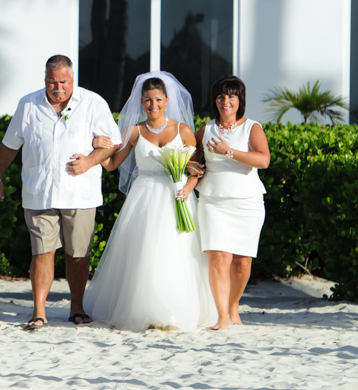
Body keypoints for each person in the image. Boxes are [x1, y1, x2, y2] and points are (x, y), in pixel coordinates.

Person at [0, 55, 120, 330]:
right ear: (45, 80)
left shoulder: (93, 103)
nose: (57, 87)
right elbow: (9, 145)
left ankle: (77, 308)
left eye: (63, 82)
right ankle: (38, 311)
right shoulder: (28, 104)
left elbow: (113, 143)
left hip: (80, 194)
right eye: (52, 82)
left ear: (72, 80)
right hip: (40, 192)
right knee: (42, 251)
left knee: (78, 253)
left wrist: (89, 160)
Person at [78, 72, 216, 331]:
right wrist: (95, 146)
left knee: (176, 252)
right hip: (144, 198)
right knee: (144, 253)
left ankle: (174, 310)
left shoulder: (183, 130)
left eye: (158, 100)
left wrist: (187, 188)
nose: (153, 105)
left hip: (176, 196)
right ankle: (146, 312)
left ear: (167, 101)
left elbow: (197, 169)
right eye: (147, 100)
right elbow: (111, 165)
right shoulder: (133, 131)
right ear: (141, 102)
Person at [193, 75, 270, 330]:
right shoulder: (205, 130)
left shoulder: (252, 128)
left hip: (247, 203)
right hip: (213, 202)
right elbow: (193, 162)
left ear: (240, 100)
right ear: (215, 100)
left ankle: (233, 306)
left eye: (232, 96)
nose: (226, 101)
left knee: (242, 262)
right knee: (218, 257)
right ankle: (221, 317)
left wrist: (229, 151)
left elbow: (263, 160)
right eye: (221, 96)